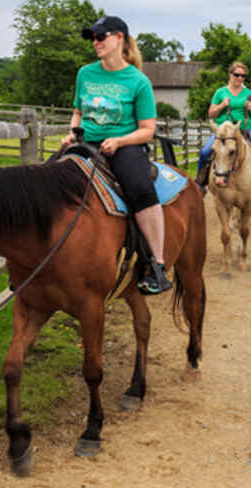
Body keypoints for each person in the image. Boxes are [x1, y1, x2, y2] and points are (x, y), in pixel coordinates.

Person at [60, 15, 172, 295]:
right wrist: (72, 133)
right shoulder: (85, 73)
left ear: (119, 38)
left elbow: (147, 130)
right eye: (93, 38)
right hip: (86, 144)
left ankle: (157, 265)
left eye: (101, 37)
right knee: (47, 179)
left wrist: (120, 141)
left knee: (139, 188)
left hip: (125, 146)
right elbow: (78, 111)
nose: (95, 43)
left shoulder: (138, 81)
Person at [194, 61, 251, 198]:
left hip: (244, 130)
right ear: (230, 75)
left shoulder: (249, 93)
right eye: (237, 75)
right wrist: (222, 105)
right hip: (223, 132)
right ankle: (200, 184)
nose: (240, 78)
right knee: (205, 152)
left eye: (243, 76)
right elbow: (211, 114)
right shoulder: (220, 92)